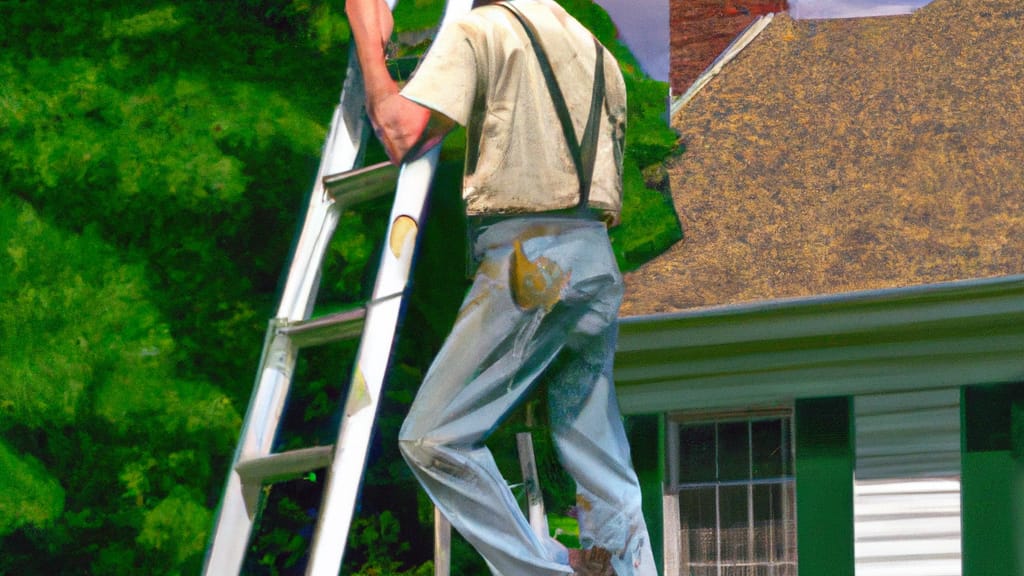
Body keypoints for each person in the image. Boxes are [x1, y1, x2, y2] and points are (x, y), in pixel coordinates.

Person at [345, 1, 656, 574]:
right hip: (595, 259)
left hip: (529, 260)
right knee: (600, 457)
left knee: (433, 438)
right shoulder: (598, 52)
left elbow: (401, 132)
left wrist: (367, 29)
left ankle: (551, 570)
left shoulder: (480, 29)